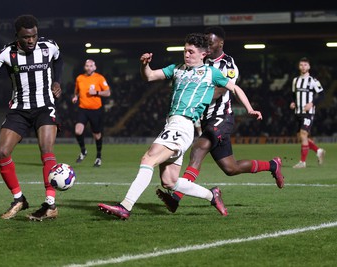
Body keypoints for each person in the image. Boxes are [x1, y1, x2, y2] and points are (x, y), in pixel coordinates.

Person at [97, 32, 262, 220]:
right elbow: (149, 76)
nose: (187, 55)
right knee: (169, 181)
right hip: (172, 124)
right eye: (185, 51)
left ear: (203, 54)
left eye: (191, 51)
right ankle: (212, 195)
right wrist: (145, 65)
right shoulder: (177, 68)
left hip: (183, 125)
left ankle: (125, 206)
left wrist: (249, 109)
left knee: (148, 159)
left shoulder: (211, 73)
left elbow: (235, 88)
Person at [156, 26, 285, 213]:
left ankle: (176, 197)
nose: (207, 44)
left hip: (222, 118)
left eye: (211, 41)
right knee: (230, 168)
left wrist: (195, 95)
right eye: (206, 41)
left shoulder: (228, 64)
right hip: (207, 120)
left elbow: (220, 91)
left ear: (221, 43)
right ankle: (273, 165)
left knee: (199, 148)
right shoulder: (202, 61)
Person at [0, 14, 63, 221]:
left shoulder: (49, 46)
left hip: (45, 107)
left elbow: (58, 59)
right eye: (26, 37)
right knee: (2, 151)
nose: (31, 40)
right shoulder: (6, 53)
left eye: (34, 36)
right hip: (19, 109)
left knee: (46, 150)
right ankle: (19, 199)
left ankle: (50, 205)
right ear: (17, 36)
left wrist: (57, 82)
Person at [71, 59, 111, 167]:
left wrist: (97, 92)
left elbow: (108, 92)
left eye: (91, 66)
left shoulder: (99, 78)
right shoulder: (79, 78)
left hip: (96, 110)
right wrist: (75, 97)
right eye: (87, 66)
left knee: (97, 135)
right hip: (83, 109)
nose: (89, 67)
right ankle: (83, 151)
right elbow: (77, 91)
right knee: (78, 131)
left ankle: (98, 157)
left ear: (94, 67)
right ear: (85, 67)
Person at [290, 57, 325, 168]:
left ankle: (302, 162)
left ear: (309, 67)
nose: (303, 67)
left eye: (305, 65)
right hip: (298, 112)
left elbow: (322, 95)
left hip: (308, 112)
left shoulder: (313, 81)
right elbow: (293, 95)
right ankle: (318, 150)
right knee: (300, 136)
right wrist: (293, 102)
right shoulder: (295, 80)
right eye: (301, 65)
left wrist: (312, 103)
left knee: (304, 134)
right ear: (299, 67)